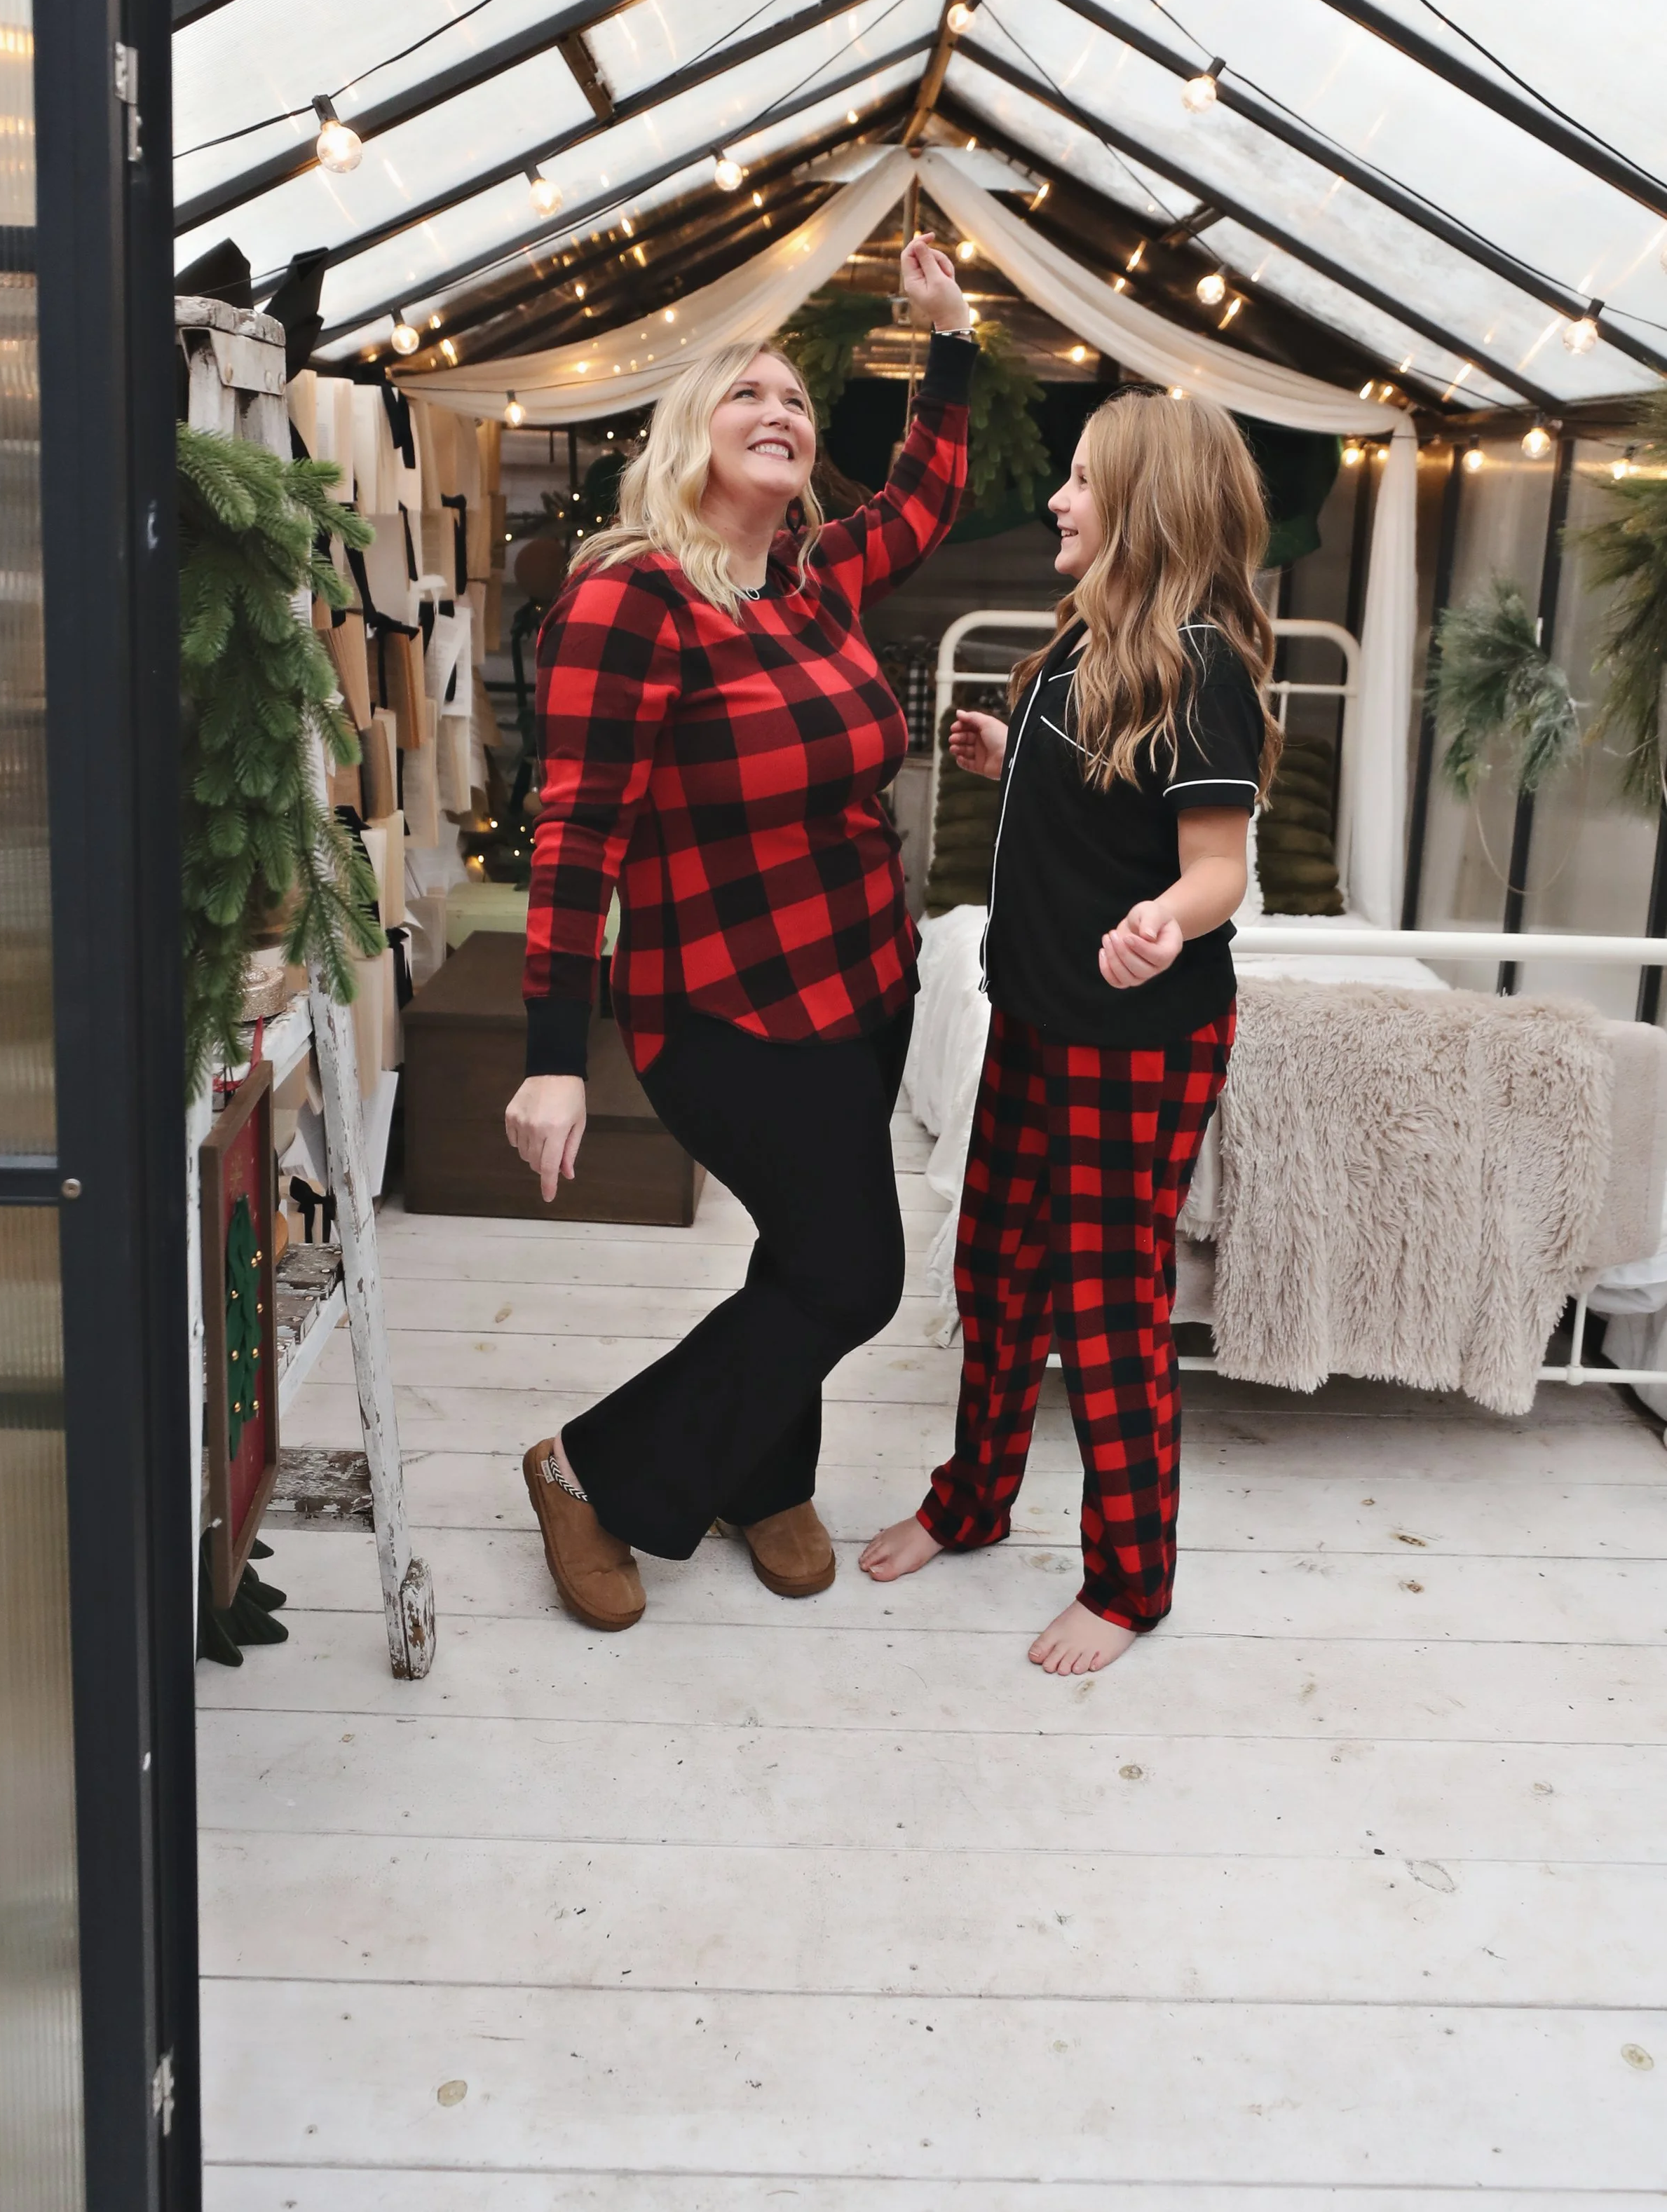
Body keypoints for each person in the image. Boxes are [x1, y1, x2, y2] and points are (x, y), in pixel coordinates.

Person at [505, 235, 977, 1631]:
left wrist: (948, 341)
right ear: (686, 435)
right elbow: (575, 826)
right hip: (720, 1006)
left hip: (858, 988)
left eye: (796, 401)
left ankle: (763, 1477)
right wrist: (551, 1052)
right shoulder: (632, 595)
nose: (781, 413)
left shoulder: (811, 577)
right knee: (850, 1273)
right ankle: (587, 1468)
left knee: (798, 1257)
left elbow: (924, 499)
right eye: (745, 397)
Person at [860, 389, 1281, 1674]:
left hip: (1139, 1038)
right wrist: (1002, 755)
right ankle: (974, 1499)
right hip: (1038, 1016)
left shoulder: (1202, 667)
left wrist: (1166, 916)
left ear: (1148, 508)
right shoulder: (1068, 650)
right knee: (992, 1270)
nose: (1058, 497)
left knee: (1105, 1304)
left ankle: (1130, 1582)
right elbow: (1090, 800)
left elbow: (1216, 861)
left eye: (1085, 481)